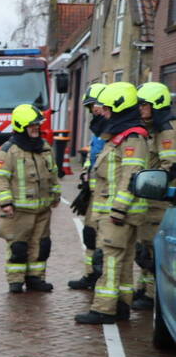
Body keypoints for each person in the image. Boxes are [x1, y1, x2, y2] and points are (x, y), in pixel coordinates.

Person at [75, 82, 150, 324]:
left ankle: (104, 309)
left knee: (109, 259)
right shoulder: (120, 137)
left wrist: (118, 209)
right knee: (123, 260)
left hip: (118, 214)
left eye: (107, 109)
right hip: (118, 213)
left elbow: (131, 174)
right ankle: (121, 305)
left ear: (119, 108)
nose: (103, 114)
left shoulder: (132, 138)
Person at [0, 103, 61, 293]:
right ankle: (15, 281)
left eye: (38, 125)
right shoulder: (7, 151)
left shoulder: (44, 147)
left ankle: (36, 279)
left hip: (43, 208)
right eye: (32, 125)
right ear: (21, 126)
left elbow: (53, 172)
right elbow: (1, 178)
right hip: (19, 210)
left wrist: (56, 194)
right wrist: (5, 202)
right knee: (18, 247)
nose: (36, 128)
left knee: (41, 245)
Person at [131, 82, 176, 311]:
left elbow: (170, 167)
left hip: (159, 201)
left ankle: (151, 295)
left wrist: (152, 184)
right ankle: (145, 287)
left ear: (156, 105)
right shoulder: (154, 128)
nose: (140, 109)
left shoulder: (166, 131)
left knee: (151, 248)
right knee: (145, 247)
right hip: (151, 199)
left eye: (144, 105)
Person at [68, 83, 108, 290]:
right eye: (91, 106)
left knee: (104, 240)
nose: (93, 109)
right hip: (93, 193)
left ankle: (101, 279)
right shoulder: (98, 129)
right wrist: (85, 178)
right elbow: (92, 158)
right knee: (90, 234)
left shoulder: (111, 129)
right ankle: (91, 275)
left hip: (106, 195)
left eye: (96, 105)